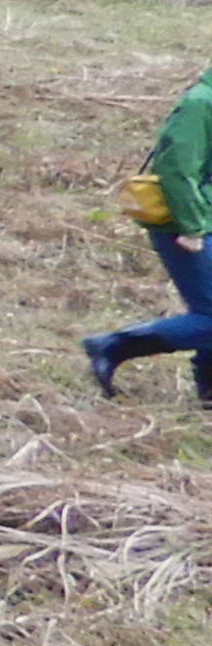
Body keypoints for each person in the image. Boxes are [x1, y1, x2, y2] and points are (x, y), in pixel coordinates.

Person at [88, 61, 212, 400]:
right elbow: (176, 171)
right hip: (187, 224)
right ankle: (113, 346)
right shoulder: (200, 104)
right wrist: (192, 228)